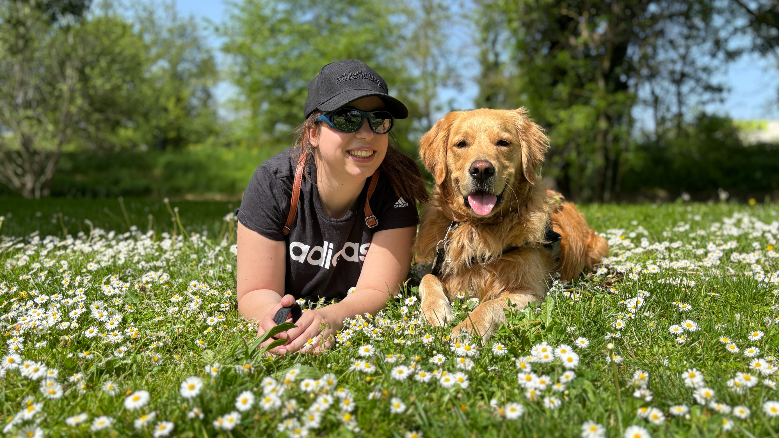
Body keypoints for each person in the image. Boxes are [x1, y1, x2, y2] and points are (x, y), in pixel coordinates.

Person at [235, 59, 428, 355]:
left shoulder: (395, 190)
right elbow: (256, 291)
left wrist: (330, 318)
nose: (366, 133)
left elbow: (377, 291)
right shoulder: (274, 183)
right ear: (313, 132)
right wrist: (276, 320)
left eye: (379, 119)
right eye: (347, 118)